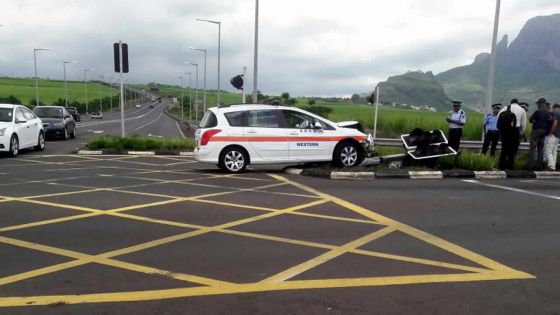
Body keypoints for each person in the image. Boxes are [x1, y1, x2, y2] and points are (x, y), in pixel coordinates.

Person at [498, 99, 527, 170]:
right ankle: (510, 167)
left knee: (504, 149)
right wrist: (521, 133)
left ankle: (501, 166)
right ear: (518, 103)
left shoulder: (505, 108)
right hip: (515, 130)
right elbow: (523, 124)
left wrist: (501, 129)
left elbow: (498, 117)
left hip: (505, 130)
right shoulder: (521, 110)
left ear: (511, 103)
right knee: (512, 149)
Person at [526, 98, 552, 170]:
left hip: (536, 131)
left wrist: (535, 121)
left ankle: (529, 166)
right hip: (544, 132)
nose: (537, 105)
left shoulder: (537, 112)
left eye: (538, 103)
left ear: (540, 104)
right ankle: (539, 166)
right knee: (540, 149)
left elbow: (530, 120)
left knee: (532, 148)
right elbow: (550, 121)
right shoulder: (548, 113)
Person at [545, 104, 560, 171]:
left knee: (548, 150)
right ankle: (553, 166)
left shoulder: (556, 114)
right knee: (554, 151)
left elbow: (555, 124)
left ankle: (551, 166)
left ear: (555, 108)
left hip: (553, 135)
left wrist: (551, 132)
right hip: (558, 136)